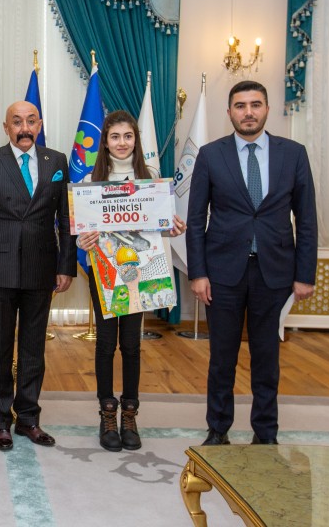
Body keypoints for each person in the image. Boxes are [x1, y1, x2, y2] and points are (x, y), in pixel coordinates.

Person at [187, 80, 317, 446]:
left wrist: (305, 274)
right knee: (221, 358)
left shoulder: (294, 154)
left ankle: (266, 433)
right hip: (222, 274)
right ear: (229, 112)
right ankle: (218, 429)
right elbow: (195, 219)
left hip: (274, 273)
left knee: (266, 358)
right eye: (241, 106)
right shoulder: (211, 155)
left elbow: (307, 219)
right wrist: (198, 273)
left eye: (255, 104)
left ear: (267, 109)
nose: (248, 112)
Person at [0, 100, 76, 451]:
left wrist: (65, 265)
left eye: (30, 121)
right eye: (17, 122)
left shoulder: (56, 161)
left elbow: (66, 219)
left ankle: (28, 418)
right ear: (6, 127)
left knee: (33, 349)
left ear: (39, 125)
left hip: (41, 270)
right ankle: (1, 420)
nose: (24, 128)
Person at [74, 110, 186, 452]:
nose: (122, 142)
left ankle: (130, 414)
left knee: (132, 345)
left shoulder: (149, 178)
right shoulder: (90, 182)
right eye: (115, 136)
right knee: (106, 344)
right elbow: (80, 232)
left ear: (136, 140)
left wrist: (171, 228)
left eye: (128, 136)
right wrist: (83, 240)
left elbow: (158, 227)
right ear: (105, 142)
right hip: (104, 273)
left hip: (140, 270)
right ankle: (107, 412)